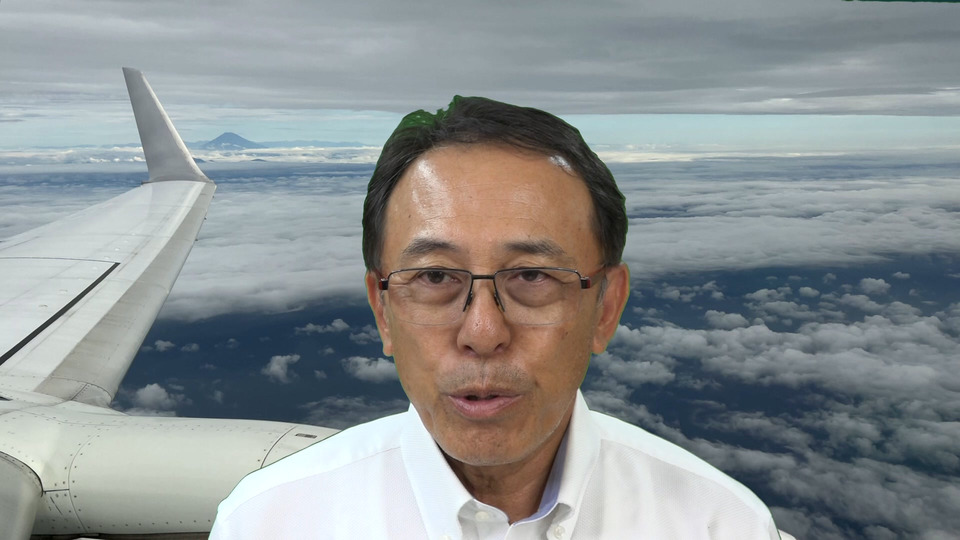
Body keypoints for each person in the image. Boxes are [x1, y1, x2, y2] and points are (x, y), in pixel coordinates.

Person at [210, 97, 787, 539]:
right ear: (383, 311)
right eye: (435, 277)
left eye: (532, 276)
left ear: (605, 308)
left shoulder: (722, 524)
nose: (483, 333)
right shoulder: (266, 523)